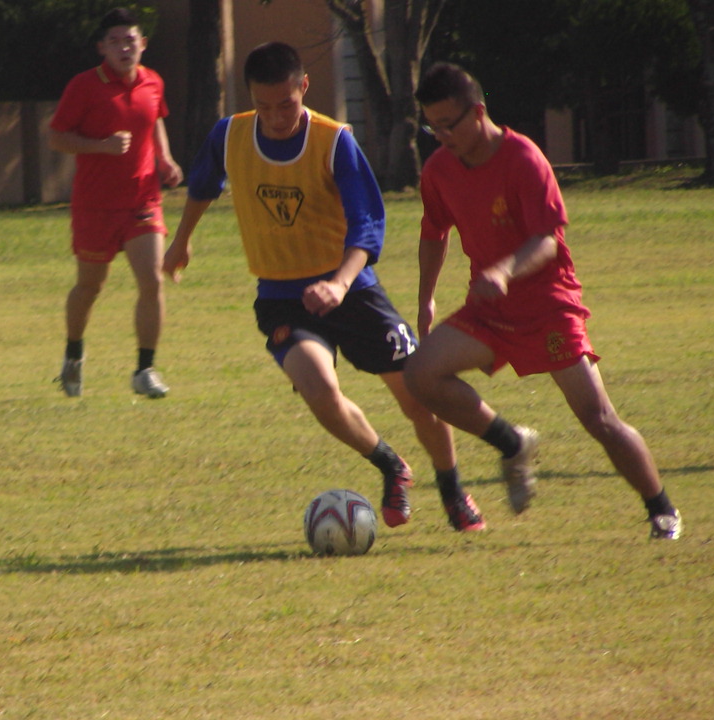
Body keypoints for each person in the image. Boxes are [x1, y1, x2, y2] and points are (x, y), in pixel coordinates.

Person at [164, 42, 484, 533]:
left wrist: (338, 282)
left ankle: (452, 489)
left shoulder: (334, 142)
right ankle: (391, 466)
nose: (274, 118)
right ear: (248, 96)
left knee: (419, 396)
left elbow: (367, 226)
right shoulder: (229, 135)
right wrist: (181, 241)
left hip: (354, 293)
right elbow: (204, 185)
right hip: (281, 297)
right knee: (318, 388)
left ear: (304, 87)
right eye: (263, 105)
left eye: (285, 104)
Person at [404, 62, 682, 540]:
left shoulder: (523, 159)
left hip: (548, 307)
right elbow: (434, 232)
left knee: (599, 419)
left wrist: (503, 269)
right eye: (434, 127)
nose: (443, 135)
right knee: (419, 375)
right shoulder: (439, 169)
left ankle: (662, 509)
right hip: (490, 312)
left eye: (450, 124)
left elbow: (548, 240)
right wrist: (426, 299)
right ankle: (512, 444)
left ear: (479, 111)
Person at [48, 7, 182, 398]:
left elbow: (155, 119)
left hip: (142, 200)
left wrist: (165, 159)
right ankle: (73, 354)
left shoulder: (152, 82)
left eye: (131, 40)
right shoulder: (83, 87)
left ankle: (145, 369)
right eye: (116, 41)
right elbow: (57, 137)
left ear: (142, 44)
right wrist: (100, 147)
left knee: (152, 280)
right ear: (102, 48)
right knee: (90, 287)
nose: (125, 47)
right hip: (95, 206)